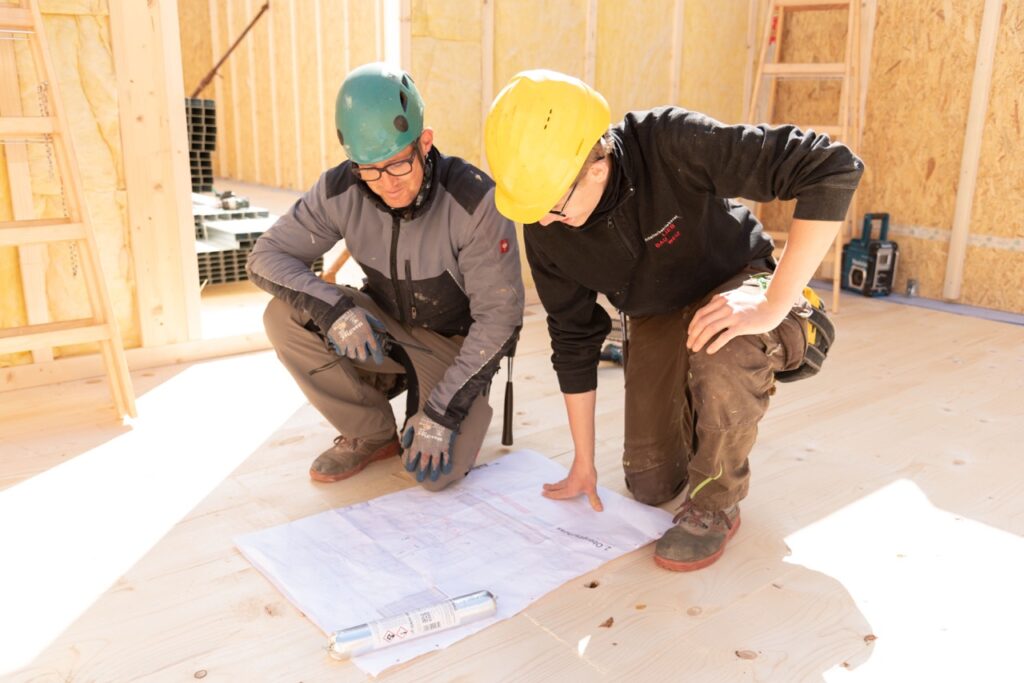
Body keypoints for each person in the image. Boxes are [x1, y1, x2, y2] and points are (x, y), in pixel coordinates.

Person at [484, 70, 862, 571]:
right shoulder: (548, 225)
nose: (544, 222)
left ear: (595, 166)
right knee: (650, 485)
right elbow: (573, 336)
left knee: (725, 348)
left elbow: (829, 167)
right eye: (532, 211)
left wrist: (773, 299)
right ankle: (701, 401)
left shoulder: (669, 143)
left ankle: (716, 501)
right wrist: (582, 461)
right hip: (657, 311)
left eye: (551, 205)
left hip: (737, 282)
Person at [248, 62, 523, 491]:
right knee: (281, 316)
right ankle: (372, 433)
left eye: (397, 165)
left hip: (454, 345)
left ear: (425, 143)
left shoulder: (473, 201)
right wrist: (333, 308)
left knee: (434, 475)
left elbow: (500, 319)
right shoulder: (344, 187)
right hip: (383, 324)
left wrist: (442, 413)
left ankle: (432, 404)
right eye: (369, 170)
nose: (386, 184)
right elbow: (267, 255)